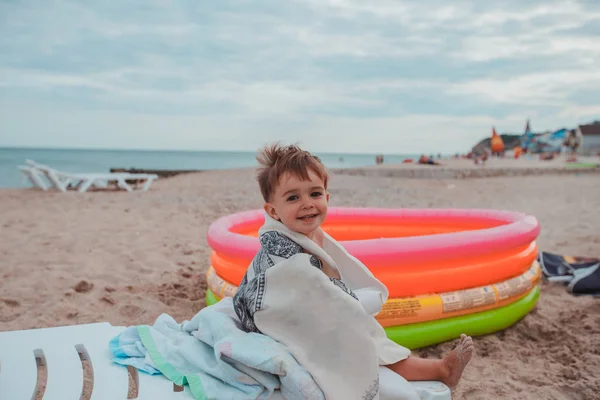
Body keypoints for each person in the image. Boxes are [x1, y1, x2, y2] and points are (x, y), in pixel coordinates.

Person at [233, 143, 474, 392]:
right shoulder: (279, 246)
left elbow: (321, 286)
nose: (306, 203)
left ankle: (441, 369)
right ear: (273, 211)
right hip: (270, 320)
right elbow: (288, 289)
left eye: (314, 194)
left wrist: (343, 306)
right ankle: (440, 369)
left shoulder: (310, 234)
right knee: (357, 345)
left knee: (364, 336)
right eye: (293, 197)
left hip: (309, 313)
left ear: (326, 198)